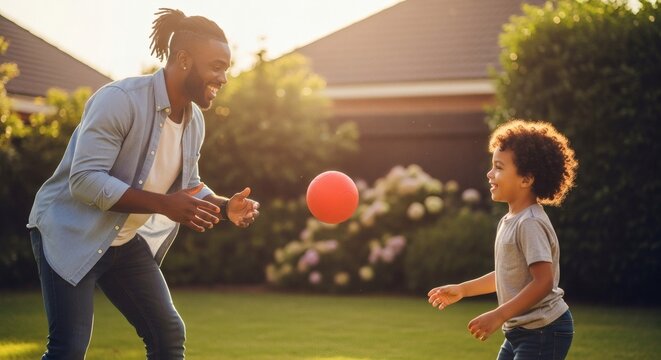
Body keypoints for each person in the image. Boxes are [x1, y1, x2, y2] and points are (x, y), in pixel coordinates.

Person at [26, 8, 259, 359]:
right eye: (216, 66)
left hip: (123, 239)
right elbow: (85, 181)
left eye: (225, 67)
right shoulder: (119, 101)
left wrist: (226, 207)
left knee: (167, 335)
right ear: (183, 59)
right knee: (68, 349)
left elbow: (188, 183)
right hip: (70, 232)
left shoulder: (194, 120)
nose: (223, 77)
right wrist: (163, 204)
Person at [427, 120, 578, 359]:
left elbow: (543, 282)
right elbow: (509, 274)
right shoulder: (510, 220)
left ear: (526, 179)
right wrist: (462, 290)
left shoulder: (530, 222)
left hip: (544, 330)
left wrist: (498, 314)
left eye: (498, 167)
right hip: (521, 330)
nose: (489, 174)